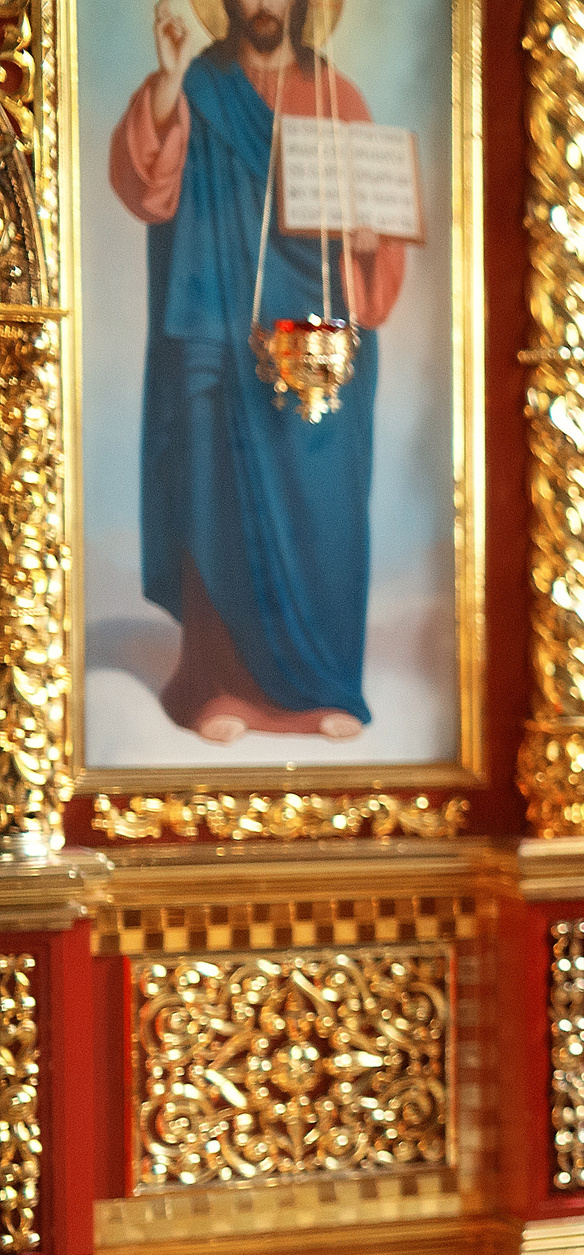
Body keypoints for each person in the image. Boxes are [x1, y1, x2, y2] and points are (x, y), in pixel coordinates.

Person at [110, 0, 407, 743]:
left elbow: (378, 252)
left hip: (317, 344)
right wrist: (170, 79)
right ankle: (218, 687)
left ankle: (323, 685)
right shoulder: (201, 89)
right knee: (218, 491)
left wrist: (368, 239)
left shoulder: (340, 100)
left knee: (325, 500)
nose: (265, 4)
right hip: (216, 332)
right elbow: (147, 187)